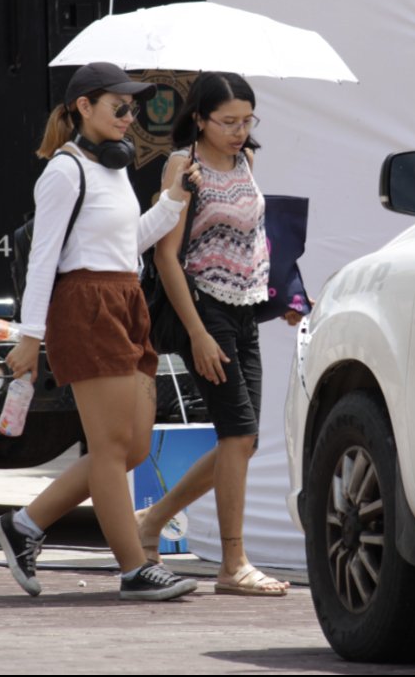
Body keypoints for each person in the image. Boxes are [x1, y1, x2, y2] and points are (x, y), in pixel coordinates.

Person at [0, 62, 201, 602]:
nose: (130, 118)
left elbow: (129, 241)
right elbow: (43, 259)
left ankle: (23, 525)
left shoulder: (110, 168)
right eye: (120, 107)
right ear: (83, 106)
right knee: (110, 446)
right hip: (85, 305)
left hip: (125, 299)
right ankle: (134, 567)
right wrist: (29, 336)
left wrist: (175, 198)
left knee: (130, 447)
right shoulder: (64, 171)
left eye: (133, 109)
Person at [137, 71, 295, 597]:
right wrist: (198, 333)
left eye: (247, 120)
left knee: (242, 441)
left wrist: (288, 296)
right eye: (227, 121)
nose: (238, 130)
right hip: (205, 309)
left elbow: (256, 240)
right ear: (199, 119)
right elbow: (165, 254)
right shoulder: (185, 166)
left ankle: (152, 520)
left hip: (247, 308)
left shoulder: (247, 160)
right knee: (237, 433)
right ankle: (233, 562)